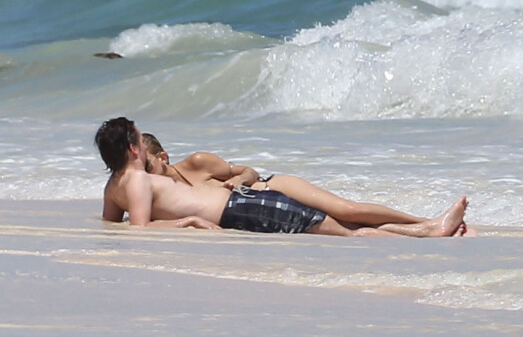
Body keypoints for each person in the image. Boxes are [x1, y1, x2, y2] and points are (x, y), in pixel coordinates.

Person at [95, 117, 469, 237]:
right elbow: (136, 230)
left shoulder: (115, 186)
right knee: (346, 234)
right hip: (245, 209)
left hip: (253, 197)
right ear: (132, 150)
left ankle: (428, 227)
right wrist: (186, 221)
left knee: (347, 222)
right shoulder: (138, 180)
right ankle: (429, 230)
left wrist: (184, 219)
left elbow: (115, 224)